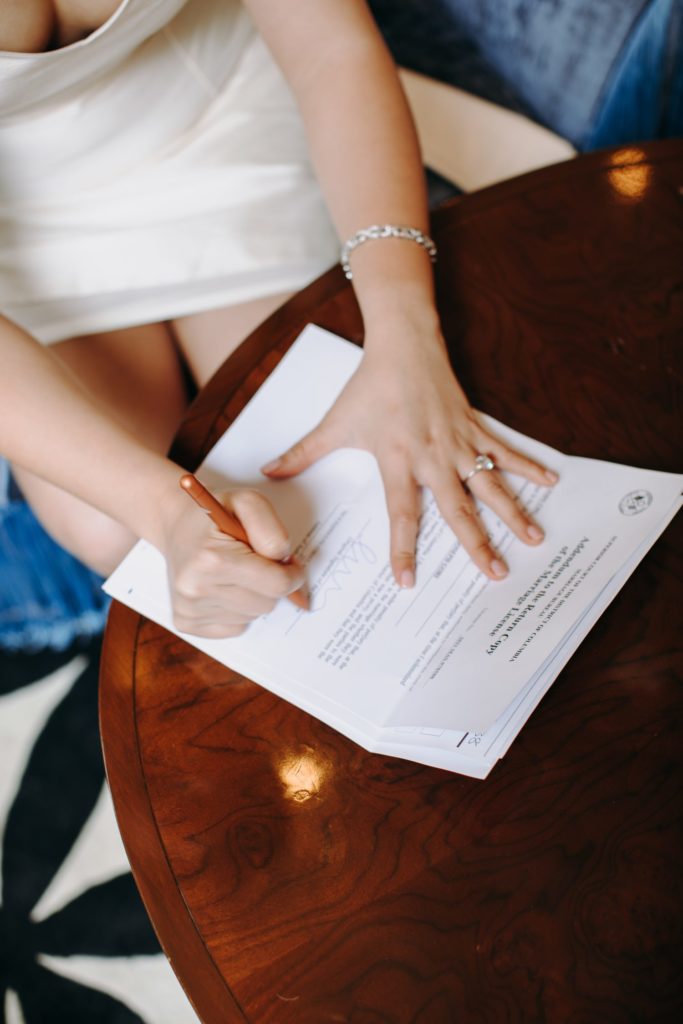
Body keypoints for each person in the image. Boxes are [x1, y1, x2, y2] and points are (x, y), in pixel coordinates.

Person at [0, 0, 557, 642]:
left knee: (338, 476)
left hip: (219, 127)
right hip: (26, 218)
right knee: (118, 534)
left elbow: (330, 49)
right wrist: (161, 510)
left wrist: (406, 333)